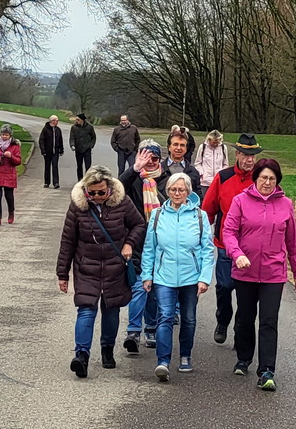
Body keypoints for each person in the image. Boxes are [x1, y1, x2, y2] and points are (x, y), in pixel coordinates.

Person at [222, 157, 296, 391]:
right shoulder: (240, 201)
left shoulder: (286, 204)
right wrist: (237, 254)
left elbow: (293, 241)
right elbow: (228, 232)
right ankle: (243, 358)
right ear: (255, 179)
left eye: (272, 178)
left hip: (273, 273)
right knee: (245, 317)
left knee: (269, 320)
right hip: (244, 270)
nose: (267, 182)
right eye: (263, 178)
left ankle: (267, 370)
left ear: (277, 181)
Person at [57, 165, 146, 379]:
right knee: (86, 310)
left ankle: (107, 349)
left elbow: (139, 225)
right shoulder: (78, 207)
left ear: (110, 190)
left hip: (115, 267)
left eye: (101, 192)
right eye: (92, 192)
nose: (96, 196)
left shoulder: (122, 202)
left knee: (111, 309)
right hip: (86, 266)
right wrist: (62, 274)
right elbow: (68, 241)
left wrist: (129, 244)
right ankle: (82, 355)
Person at [140, 172, 216, 381]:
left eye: (181, 189)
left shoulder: (200, 216)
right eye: (173, 189)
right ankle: (162, 361)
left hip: (191, 278)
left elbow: (207, 250)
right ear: (168, 191)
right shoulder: (157, 216)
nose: (177, 193)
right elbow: (149, 248)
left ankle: (185, 356)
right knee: (164, 317)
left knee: (189, 318)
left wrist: (204, 278)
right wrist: (147, 275)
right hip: (164, 276)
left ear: (188, 192)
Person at [200, 133, 261, 345]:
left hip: (252, 247)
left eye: (253, 155)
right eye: (246, 155)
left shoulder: (260, 179)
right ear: (237, 154)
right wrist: (199, 236)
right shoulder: (223, 177)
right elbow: (208, 209)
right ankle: (223, 320)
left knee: (246, 293)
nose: (250, 160)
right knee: (225, 286)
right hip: (226, 244)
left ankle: (241, 329)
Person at [118, 139, 165, 352]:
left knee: (153, 287)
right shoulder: (134, 179)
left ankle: (152, 328)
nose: (150, 162)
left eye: (154, 158)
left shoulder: (167, 180)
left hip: (161, 241)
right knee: (139, 286)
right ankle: (133, 331)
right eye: (145, 158)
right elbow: (117, 190)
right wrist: (134, 169)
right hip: (136, 239)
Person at [0, 123, 22, 226]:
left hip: (9, 175)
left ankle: (11, 212)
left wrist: (11, 156)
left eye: (6, 135)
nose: (4, 136)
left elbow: (18, 161)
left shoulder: (15, 146)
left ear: (10, 135)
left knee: (9, 196)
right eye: (3, 134)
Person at [193, 130, 230, 200]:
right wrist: (202, 174)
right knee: (205, 202)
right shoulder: (202, 147)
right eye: (213, 142)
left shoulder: (223, 148)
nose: (215, 144)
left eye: (217, 142)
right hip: (205, 183)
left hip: (218, 182)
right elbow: (198, 163)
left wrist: (222, 174)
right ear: (209, 140)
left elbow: (225, 164)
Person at [38, 115, 65, 189]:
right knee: (47, 166)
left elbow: (60, 140)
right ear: (52, 121)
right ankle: (47, 182)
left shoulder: (58, 130)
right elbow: (41, 140)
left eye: (57, 121)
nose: (57, 122)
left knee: (55, 166)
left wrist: (61, 150)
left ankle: (56, 182)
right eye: (56, 120)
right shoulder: (45, 129)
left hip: (55, 151)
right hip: (47, 151)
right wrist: (43, 150)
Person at [68, 115, 96, 181]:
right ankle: (80, 180)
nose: (76, 121)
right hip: (78, 149)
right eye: (76, 120)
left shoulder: (89, 127)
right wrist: (72, 145)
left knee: (88, 166)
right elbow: (72, 137)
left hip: (87, 149)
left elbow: (93, 137)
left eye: (78, 120)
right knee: (79, 166)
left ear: (82, 120)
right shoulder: (74, 128)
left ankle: (87, 180)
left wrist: (91, 145)